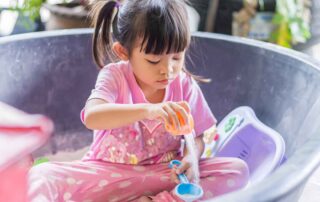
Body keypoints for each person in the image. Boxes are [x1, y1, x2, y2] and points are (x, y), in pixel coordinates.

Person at [28, 0, 249, 201]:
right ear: (123, 52)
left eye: (177, 57)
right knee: (41, 175)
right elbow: (93, 117)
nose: (168, 70)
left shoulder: (184, 85)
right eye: (153, 60)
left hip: (163, 174)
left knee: (237, 170)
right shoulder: (115, 76)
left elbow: (198, 136)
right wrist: (149, 110)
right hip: (106, 174)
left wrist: (192, 157)